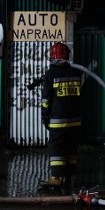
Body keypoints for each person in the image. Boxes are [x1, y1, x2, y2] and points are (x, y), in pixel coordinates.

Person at [39, 42, 83, 192]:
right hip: (75, 120)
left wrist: (45, 115)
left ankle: (56, 178)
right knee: (71, 149)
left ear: (53, 56)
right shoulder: (76, 73)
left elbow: (46, 99)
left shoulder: (50, 74)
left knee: (57, 149)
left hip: (58, 121)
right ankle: (68, 177)